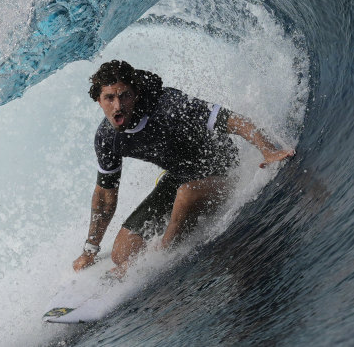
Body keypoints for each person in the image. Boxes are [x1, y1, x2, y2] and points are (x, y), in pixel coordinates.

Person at [73, 60, 294, 277]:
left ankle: (159, 258)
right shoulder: (107, 138)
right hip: (179, 177)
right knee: (122, 254)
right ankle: (151, 248)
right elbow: (104, 197)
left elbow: (232, 120)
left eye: (125, 96)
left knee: (186, 195)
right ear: (98, 100)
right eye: (109, 98)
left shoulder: (169, 105)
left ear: (136, 93)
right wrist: (89, 251)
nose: (118, 106)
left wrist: (268, 150)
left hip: (222, 172)